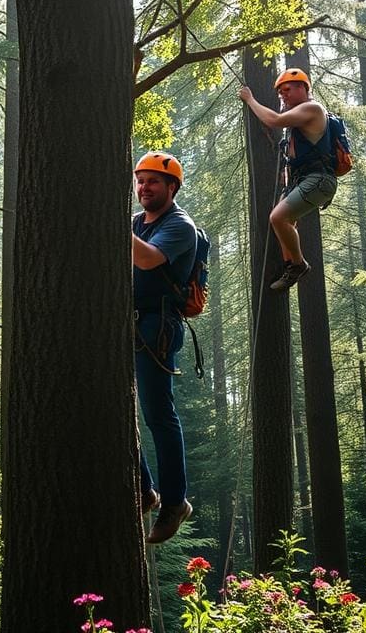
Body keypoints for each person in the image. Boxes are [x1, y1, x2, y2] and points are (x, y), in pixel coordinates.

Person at [131, 151, 197, 544]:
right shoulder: (138, 222)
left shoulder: (179, 226)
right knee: (113, 403)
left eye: (153, 181)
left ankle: (174, 502)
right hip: (128, 319)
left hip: (158, 325)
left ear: (172, 187)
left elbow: (150, 259)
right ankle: (143, 488)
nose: (144, 188)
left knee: (158, 414)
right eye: (140, 181)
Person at [238, 68, 336, 291]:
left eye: (287, 90)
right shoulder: (298, 119)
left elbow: (275, 120)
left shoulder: (312, 108)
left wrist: (250, 99)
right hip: (304, 180)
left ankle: (299, 265)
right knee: (285, 221)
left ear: (303, 87)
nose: (283, 95)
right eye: (280, 92)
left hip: (319, 179)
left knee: (278, 218)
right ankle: (290, 265)